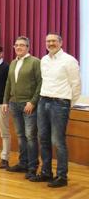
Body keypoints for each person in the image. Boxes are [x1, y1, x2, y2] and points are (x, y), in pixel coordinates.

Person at [33, 33, 81, 188]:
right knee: (43, 139)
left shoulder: (69, 60)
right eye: (48, 41)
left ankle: (62, 176)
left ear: (61, 42)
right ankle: (46, 172)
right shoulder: (44, 60)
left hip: (60, 104)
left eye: (54, 41)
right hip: (43, 101)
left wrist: (67, 103)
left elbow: (76, 85)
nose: (50, 43)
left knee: (58, 141)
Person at [3, 36, 41, 179]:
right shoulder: (13, 63)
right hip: (14, 103)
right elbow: (8, 83)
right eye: (16, 45)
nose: (18, 47)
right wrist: (5, 101)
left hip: (28, 105)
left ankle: (32, 167)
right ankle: (23, 163)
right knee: (20, 136)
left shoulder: (35, 62)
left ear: (28, 47)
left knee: (30, 136)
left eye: (22, 45)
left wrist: (33, 102)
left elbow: (40, 83)